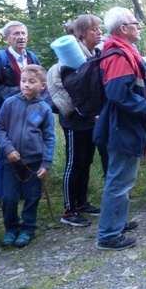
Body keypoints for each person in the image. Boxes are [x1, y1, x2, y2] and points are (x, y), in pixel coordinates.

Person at [94, 7, 146, 251]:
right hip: (122, 125)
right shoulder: (118, 55)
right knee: (119, 179)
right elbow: (118, 93)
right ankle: (109, 234)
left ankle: (116, 222)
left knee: (122, 177)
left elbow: (126, 88)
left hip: (125, 123)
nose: (138, 26)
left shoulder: (123, 52)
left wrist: (144, 92)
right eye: (134, 22)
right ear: (123, 29)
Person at [0, 65, 54, 248]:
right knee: (9, 198)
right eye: (23, 81)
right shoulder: (10, 103)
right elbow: (0, 128)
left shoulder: (44, 109)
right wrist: (8, 149)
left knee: (32, 197)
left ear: (42, 85)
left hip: (34, 163)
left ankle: (28, 228)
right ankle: (11, 228)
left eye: (32, 82)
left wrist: (46, 163)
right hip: (11, 162)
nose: (26, 85)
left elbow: (49, 137)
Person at [0, 21, 42, 199]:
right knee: (6, 153)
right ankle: (2, 195)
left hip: (30, 114)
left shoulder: (31, 58)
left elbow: (40, 82)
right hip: (5, 115)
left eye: (23, 33)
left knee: (26, 151)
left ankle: (22, 191)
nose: (21, 37)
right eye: (16, 34)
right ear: (7, 38)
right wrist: (18, 92)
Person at [58, 15, 104, 228]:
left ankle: (82, 203)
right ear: (82, 33)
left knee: (86, 161)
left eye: (99, 28)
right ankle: (68, 210)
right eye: (94, 29)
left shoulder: (96, 52)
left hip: (91, 117)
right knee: (74, 163)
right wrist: (88, 113)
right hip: (76, 119)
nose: (99, 32)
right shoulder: (71, 54)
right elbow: (74, 89)